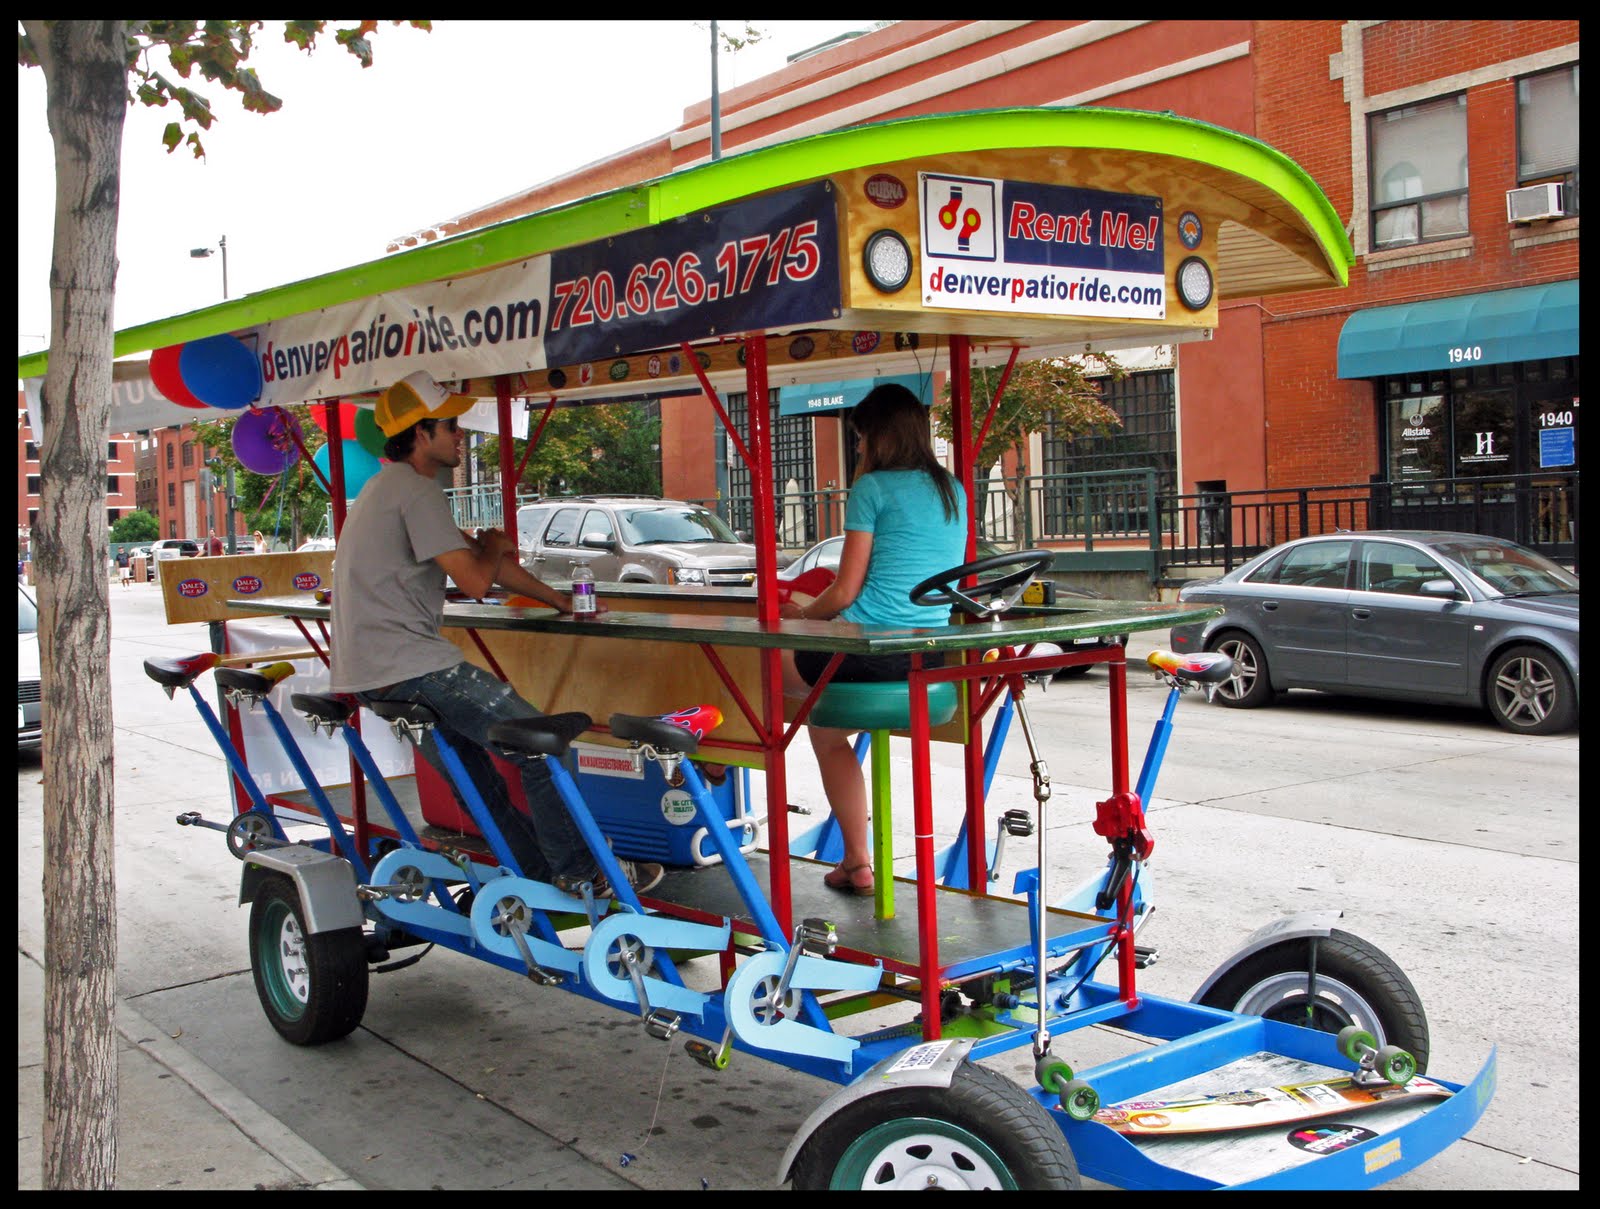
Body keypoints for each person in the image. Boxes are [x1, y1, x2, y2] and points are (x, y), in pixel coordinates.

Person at [328, 371, 663, 899]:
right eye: (452, 427)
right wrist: (495, 544)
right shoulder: (417, 491)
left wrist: (560, 600)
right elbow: (478, 579)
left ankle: (537, 877)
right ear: (421, 433)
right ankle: (582, 871)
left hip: (373, 672)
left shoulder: (385, 488)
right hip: (412, 665)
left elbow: (481, 561)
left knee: (477, 782)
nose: (461, 436)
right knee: (544, 745)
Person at [778, 383, 968, 897]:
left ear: (881, 436)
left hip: (867, 654)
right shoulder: (954, 488)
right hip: (929, 658)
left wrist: (801, 615)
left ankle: (857, 858)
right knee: (825, 719)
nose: (858, 449)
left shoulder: (872, 489)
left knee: (778, 680)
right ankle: (856, 859)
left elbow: (843, 591)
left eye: (861, 438)